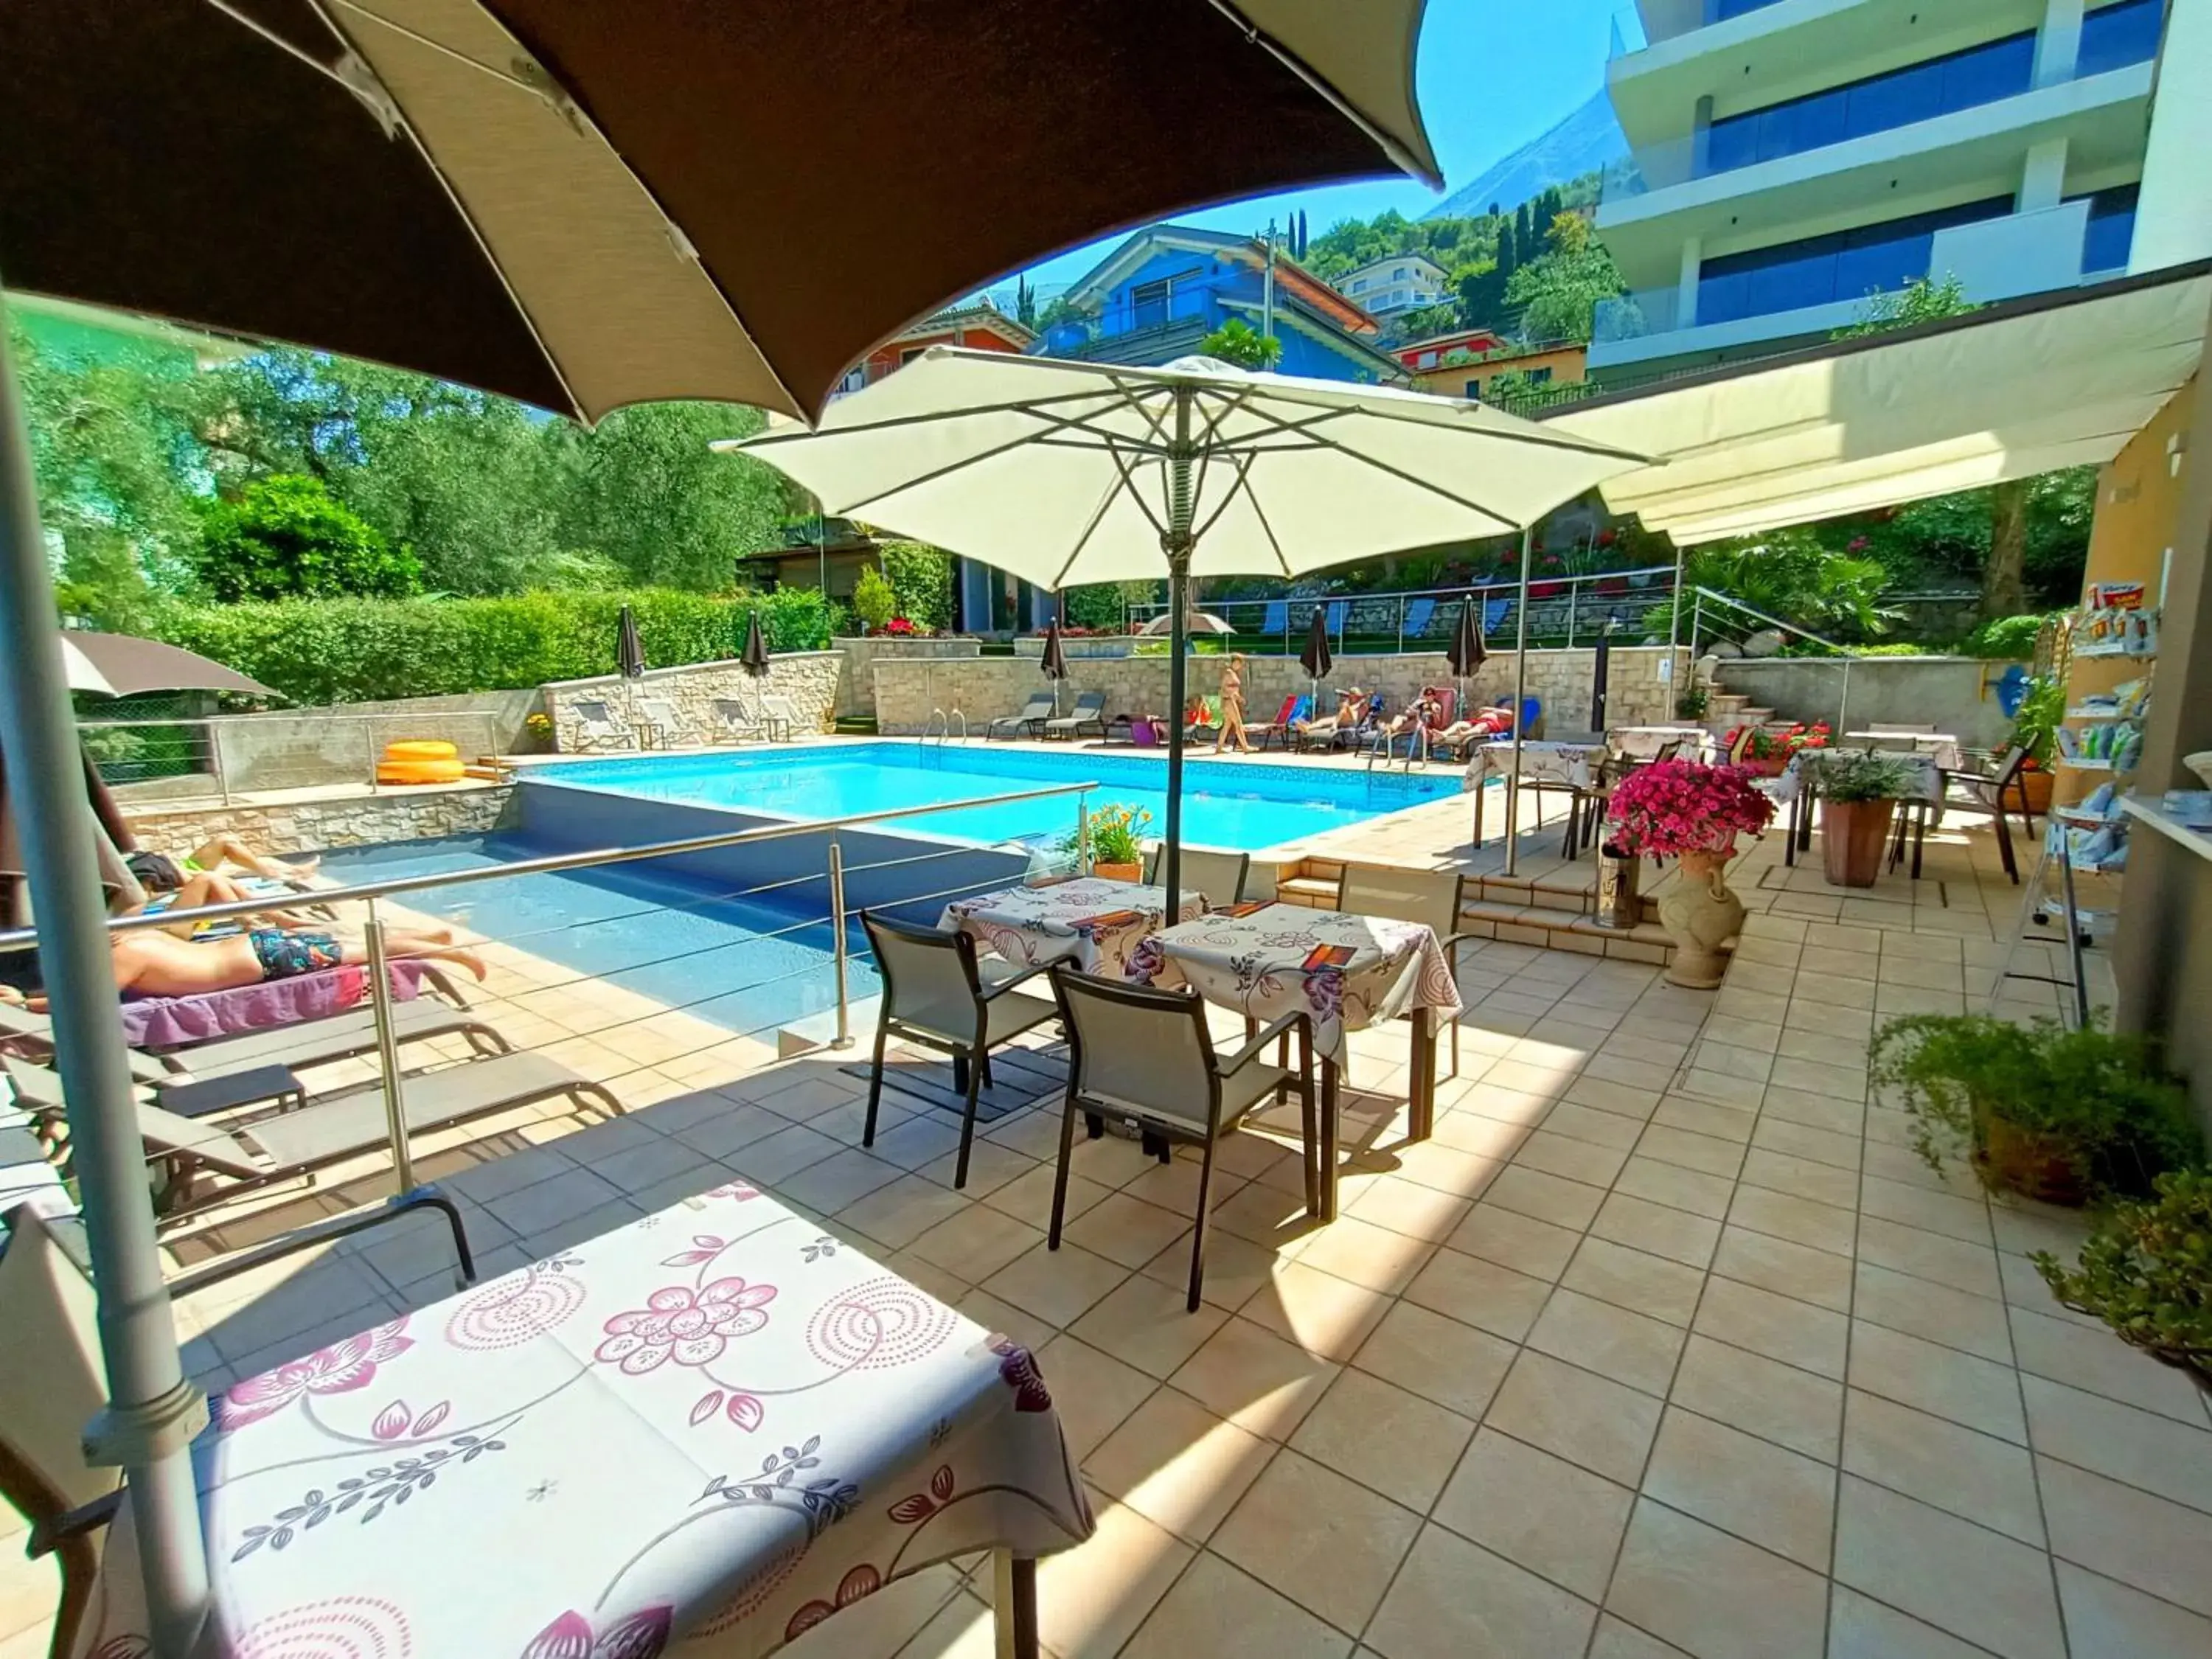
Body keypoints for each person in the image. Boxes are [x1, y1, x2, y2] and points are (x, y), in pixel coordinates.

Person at [108, 922, 485, 999]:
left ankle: (450, 953)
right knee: (352, 940)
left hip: (264, 960)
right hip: (256, 944)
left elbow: (84, 1005)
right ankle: (429, 936)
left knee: (364, 949)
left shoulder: (127, 954)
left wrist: (45, 1006)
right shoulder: (136, 935)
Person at [1214, 653, 1254, 755]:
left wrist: (1239, 698)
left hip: (1230, 699)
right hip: (1228, 700)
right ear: (1233, 662)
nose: (1239, 665)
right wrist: (1234, 695)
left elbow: (1233, 689)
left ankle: (1219, 747)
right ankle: (1245, 747)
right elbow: (1225, 688)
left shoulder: (1233, 673)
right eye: (1237, 663)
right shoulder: (1228, 673)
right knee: (1238, 723)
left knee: (1227, 725)